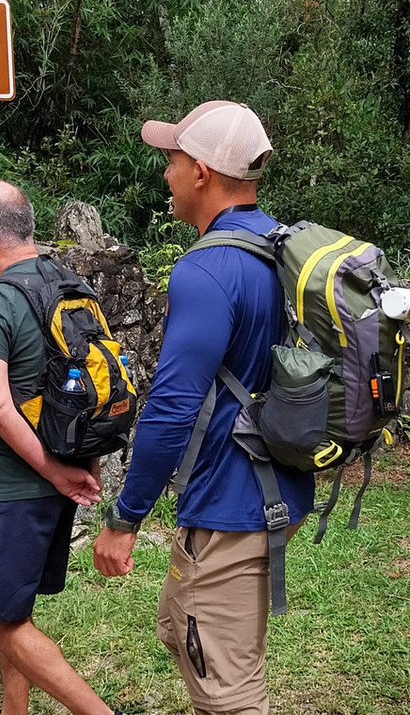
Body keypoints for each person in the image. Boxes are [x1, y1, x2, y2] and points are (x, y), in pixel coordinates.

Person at [92, 101, 316, 715]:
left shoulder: (207, 271)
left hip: (233, 505)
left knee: (228, 688)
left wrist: (125, 517)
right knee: (181, 628)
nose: (165, 174)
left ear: (201, 172)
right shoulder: (281, 248)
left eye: (171, 160)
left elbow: (170, 409)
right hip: (279, 483)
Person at [0, 179, 124, 715]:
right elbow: (94, 384)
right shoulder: (73, 284)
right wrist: (80, 466)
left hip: (16, 484)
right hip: (62, 472)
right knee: (15, 606)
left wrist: (53, 471)